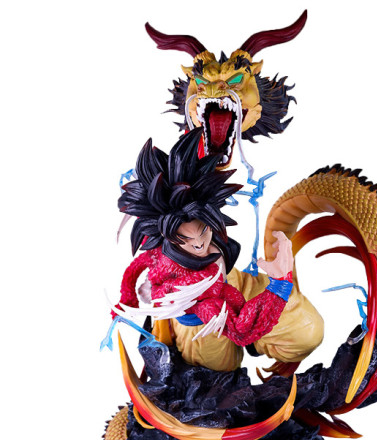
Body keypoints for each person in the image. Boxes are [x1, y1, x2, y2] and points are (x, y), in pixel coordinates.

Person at [115, 128, 323, 371]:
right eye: (184, 238)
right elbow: (241, 330)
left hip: (232, 281)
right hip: (203, 315)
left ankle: (256, 341)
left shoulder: (200, 226)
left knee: (308, 332)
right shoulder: (196, 289)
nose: (199, 243)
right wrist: (279, 285)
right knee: (217, 372)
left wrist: (129, 296)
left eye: (203, 230)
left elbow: (134, 271)